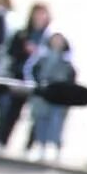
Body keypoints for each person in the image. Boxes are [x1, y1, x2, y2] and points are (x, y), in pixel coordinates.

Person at [0, 0, 54, 145]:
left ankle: (31, 144)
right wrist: (24, 50)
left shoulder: (50, 37)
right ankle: (2, 139)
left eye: (42, 14)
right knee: (12, 110)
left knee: (37, 113)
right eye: (37, 14)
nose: (39, 17)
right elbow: (11, 53)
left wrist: (39, 52)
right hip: (20, 76)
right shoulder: (22, 34)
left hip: (39, 79)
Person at [23, 28, 77, 160]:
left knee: (56, 123)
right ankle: (40, 145)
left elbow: (71, 78)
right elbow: (31, 72)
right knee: (41, 121)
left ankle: (55, 147)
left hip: (59, 96)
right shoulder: (41, 56)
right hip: (43, 94)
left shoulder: (67, 61)